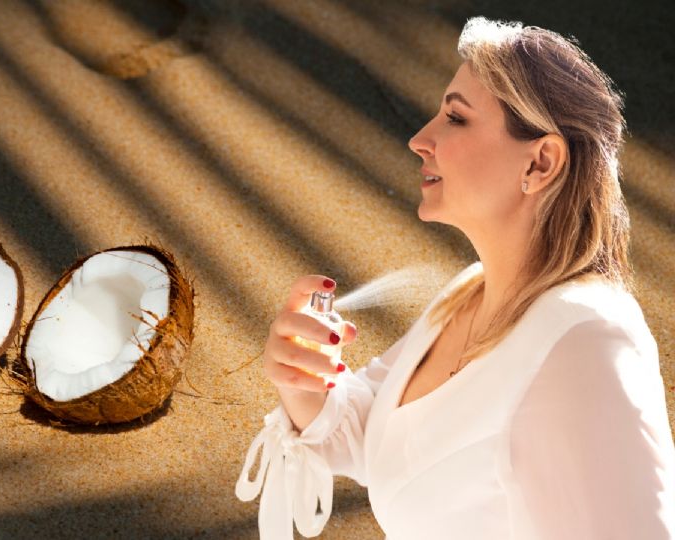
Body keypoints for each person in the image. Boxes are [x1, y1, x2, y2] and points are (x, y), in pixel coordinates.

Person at [235, 16, 675, 540]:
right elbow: (380, 439)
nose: (421, 139)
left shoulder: (585, 344)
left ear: (541, 162)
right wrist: (303, 380)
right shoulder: (472, 291)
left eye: (456, 119)